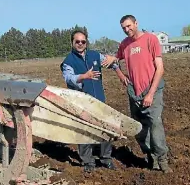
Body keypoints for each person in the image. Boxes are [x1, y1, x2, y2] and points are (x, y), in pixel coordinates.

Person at [104, 14, 173, 173]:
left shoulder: (150, 39)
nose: (127, 30)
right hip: (134, 92)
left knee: (155, 125)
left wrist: (150, 94)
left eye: (129, 26)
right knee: (139, 128)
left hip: (151, 91)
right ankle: (151, 157)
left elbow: (160, 68)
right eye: (124, 28)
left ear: (136, 23)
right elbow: (114, 60)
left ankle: (162, 160)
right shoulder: (125, 44)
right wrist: (121, 75)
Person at [60, 29, 119, 173]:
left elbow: (111, 63)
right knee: (84, 131)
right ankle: (88, 161)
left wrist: (114, 62)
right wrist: (84, 76)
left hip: (99, 99)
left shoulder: (94, 55)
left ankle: (106, 158)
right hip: (81, 102)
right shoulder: (68, 61)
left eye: (83, 41)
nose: (80, 44)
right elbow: (69, 78)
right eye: (77, 41)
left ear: (86, 43)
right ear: (72, 43)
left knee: (105, 128)